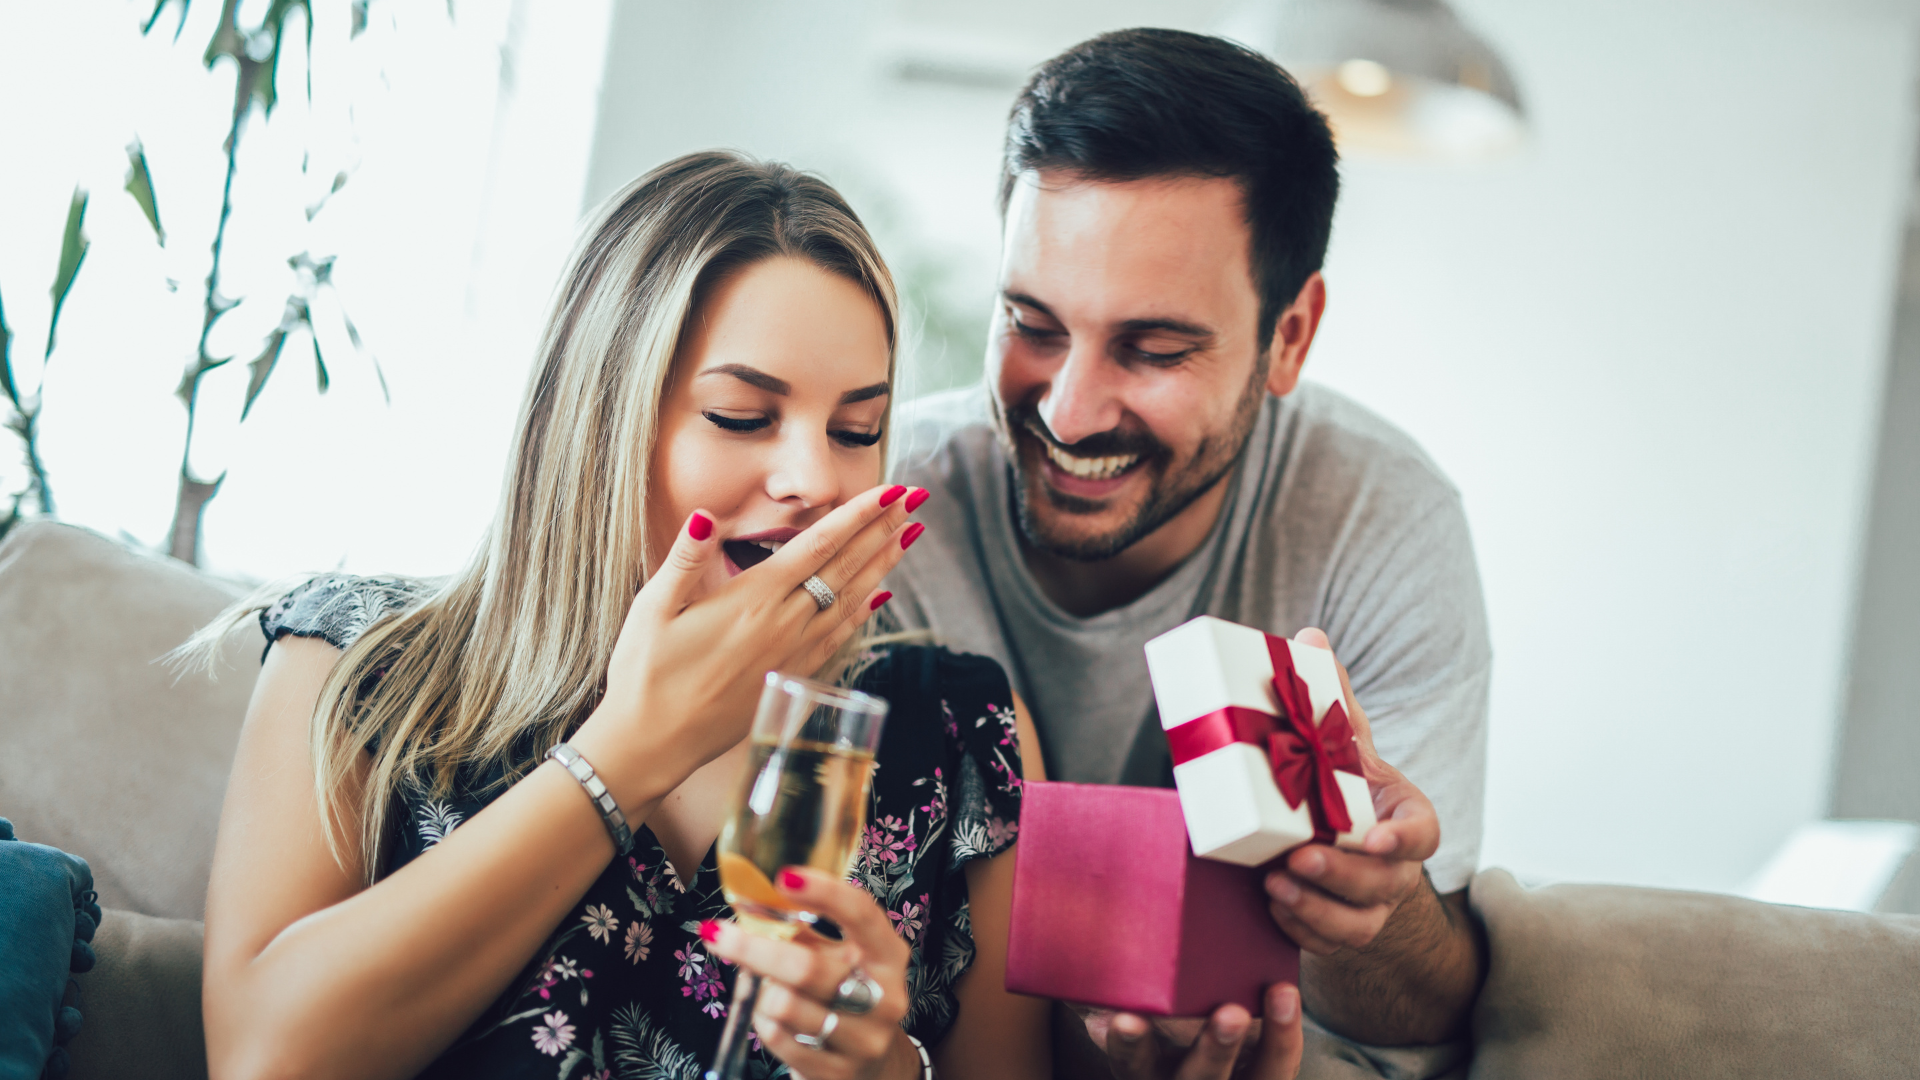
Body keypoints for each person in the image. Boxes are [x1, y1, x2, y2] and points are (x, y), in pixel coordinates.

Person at [187, 151, 1306, 1080]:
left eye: (858, 430)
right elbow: (264, 1059)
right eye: (741, 415)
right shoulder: (364, 666)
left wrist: (882, 1068)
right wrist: (629, 751)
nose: (816, 479)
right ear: (598, 425)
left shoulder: (954, 735)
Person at [883, 28, 1491, 1073]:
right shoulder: (885, 509)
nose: (1069, 412)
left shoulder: (1382, 521)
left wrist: (1371, 905)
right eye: (1033, 324)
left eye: (1153, 349)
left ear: (1288, 337)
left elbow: (1425, 1013)